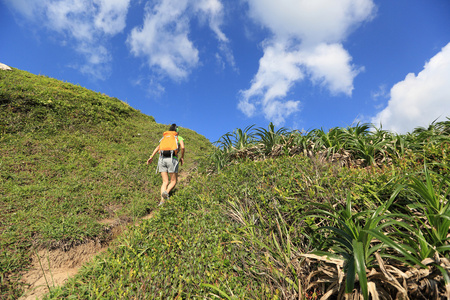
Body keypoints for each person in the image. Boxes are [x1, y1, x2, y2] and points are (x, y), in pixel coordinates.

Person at [147, 124, 185, 206]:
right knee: (173, 181)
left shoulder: (165, 137)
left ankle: (162, 201)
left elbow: (158, 147)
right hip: (172, 159)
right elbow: (182, 147)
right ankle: (166, 192)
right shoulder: (178, 137)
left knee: (165, 182)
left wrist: (151, 157)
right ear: (177, 131)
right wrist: (182, 157)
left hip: (161, 159)